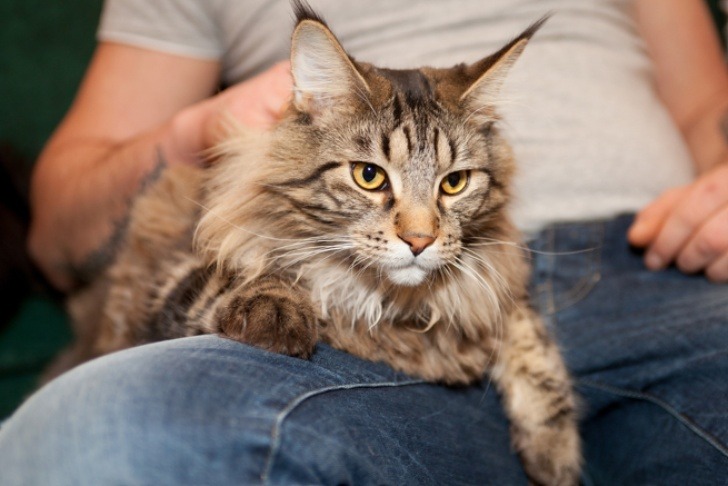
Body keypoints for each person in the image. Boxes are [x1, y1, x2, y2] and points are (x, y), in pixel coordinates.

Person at [1, 0, 726, 484]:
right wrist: (191, 136)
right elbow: (56, 233)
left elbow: (707, 108)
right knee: (100, 425)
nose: (416, 233)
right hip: (328, 303)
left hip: (656, 258)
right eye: (377, 178)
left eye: (438, 192)